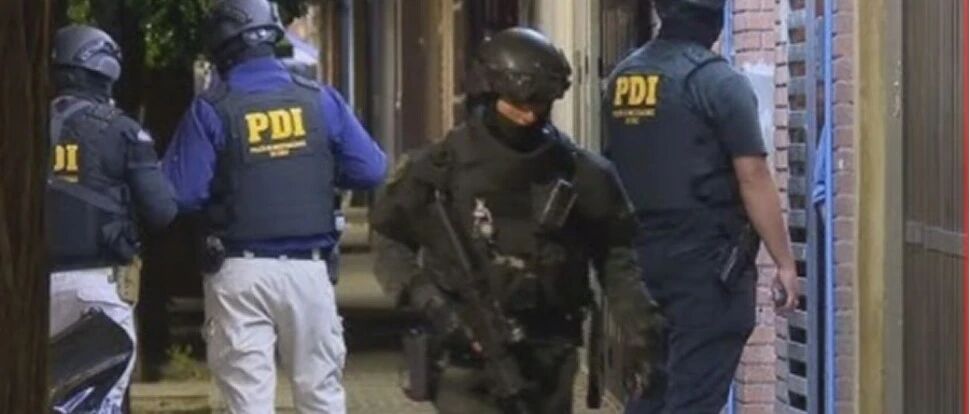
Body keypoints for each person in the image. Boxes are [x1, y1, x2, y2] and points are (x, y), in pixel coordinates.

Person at [371, 27, 664, 414]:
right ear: (491, 94)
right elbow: (389, 237)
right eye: (517, 104)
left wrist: (641, 329)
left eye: (539, 105)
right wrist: (427, 299)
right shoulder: (439, 168)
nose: (528, 116)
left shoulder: (581, 174)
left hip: (550, 356)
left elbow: (616, 255)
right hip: (464, 355)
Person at [162, 0, 386, 412]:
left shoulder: (211, 109)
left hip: (238, 271)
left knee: (247, 400)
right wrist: (315, 168)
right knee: (321, 396)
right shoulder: (320, 100)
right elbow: (371, 169)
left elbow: (182, 193)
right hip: (310, 271)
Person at [602, 0, 799, 412]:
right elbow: (753, 176)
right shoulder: (717, 81)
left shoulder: (623, 78)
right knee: (692, 397)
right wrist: (784, 261)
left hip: (641, 262)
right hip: (705, 269)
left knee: (652, 390)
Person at [47, 24, 177, 413]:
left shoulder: (20, 127)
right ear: (106, 71)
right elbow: (162, 211)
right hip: (97, 288)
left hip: (29, 292)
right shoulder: (121, 131)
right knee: (99, 402)